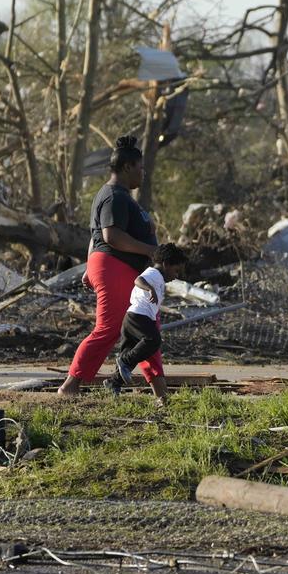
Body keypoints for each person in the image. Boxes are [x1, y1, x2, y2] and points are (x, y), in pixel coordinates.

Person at [57, 136, 165, 397]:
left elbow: (95, 235)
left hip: (115, 267)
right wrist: (152, 250)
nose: (143, 172)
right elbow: (111, 236)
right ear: (127, 167)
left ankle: (161, 394)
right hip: (115, 267)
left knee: (147, 327)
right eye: (140, 167)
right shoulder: (114, 196)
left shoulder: (120, 197)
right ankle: (69, 387)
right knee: (111, 328)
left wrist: (88, 266)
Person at [106, 243, 188, 401]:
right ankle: (124, 361)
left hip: (131, 318)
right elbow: (138, 280)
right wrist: (150, 289)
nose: (176, 275)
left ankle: (113, 383)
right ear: (166, 264)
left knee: (129, 354)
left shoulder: (157, 277)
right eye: (176, 270)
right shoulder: (154, 273)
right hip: (139, 316)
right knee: (153, 340)